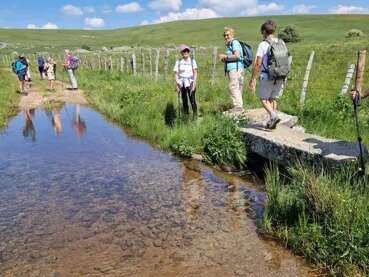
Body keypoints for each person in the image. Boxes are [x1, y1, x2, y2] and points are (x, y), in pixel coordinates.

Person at [249, 20, 288, 129]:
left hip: (267, 75)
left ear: (264, 32)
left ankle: (273, 115)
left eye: (262, 32)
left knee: (263, 98)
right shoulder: (281, 42)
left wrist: (253, 78)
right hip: (280, 75)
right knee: (273, 98)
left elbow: (258, 63)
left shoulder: (263, 44)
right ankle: (272, 121)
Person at [219, 27, 244, 114]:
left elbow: (237, 55)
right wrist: (225, 59)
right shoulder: (230, 44)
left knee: (233, 86)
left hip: (235, 69)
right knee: (237, 87)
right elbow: (233, 57)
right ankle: (238, 106)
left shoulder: (234, 42)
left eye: (228, 35)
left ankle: (238, 107)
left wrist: (225, 56)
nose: (226, 37)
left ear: (232, 35)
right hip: (236, 68)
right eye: (224, 35)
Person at [174, 44, 198, 117]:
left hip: (190, 82)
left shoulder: (192, 61)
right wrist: (177, 84)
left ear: (189, 52)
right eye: (184, 51)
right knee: (184, 100)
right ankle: (186, 115)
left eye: (187, 51)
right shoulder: (178, 62)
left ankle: (195, 116)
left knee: (192, 100)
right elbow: (176, 74)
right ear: (181, 52)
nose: (185, 52)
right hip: (181, 83)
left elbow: (195, 72)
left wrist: (194, 83)